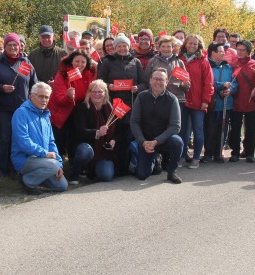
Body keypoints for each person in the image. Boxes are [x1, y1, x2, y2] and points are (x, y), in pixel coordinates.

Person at [0, 33, 39, 177]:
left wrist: (34, 97)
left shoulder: (26, 63)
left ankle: (15, 168)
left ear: (19, 46)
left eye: (15, 45)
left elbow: (34, 84)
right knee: (3, 138)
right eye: (9, 45)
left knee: (19, 139)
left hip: (22, 109)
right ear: (5, 47)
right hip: (2, 108)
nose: (13, 47)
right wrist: (1, 87)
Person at [98, 33, 144, 174]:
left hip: (131, 105)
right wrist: (108, 86)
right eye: (119, 46)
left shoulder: (136, 62)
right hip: (113, 104)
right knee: (114, 133)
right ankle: (115, 166)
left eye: (125, 45)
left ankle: (127, 165)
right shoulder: (107, 61)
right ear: (115, 47)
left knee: (127, 135)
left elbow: (144, 83)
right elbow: (99, 81)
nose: (122, 48)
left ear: (129, 47)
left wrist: (138, 88)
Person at [11, 82, 68, 194]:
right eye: (41, 96)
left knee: (62, 186)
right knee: (53, 165)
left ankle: (35, 179)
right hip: (24, 159)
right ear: (32, 96)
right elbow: (23, 141)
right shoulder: (21, 113)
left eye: (47, 97)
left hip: (44, 161)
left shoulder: (46, 115)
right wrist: (45, 154)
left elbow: (51, 142)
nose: (44, 100)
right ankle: (27, 181)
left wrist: (60, 164)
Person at [130, 68, 184, 184]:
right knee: (142, 175)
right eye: (155, 79)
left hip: (164, 140)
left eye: (161, 80)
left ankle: (172, 171)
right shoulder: (141, 97)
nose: (158, 82)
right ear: (150, 80)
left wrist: (156, 141)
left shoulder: (172, 99)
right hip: (146, 141)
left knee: (177, 141)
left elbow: (176, 126)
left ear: (166, 82)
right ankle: (156, 159)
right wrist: (143, 142)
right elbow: (134, 122)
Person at [49, 49, 96, 164]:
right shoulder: (62, 74)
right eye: (77, 61)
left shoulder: (88, 74)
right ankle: (56, 167)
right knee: (59, 141)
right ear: (71, 61)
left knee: (74, 140)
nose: (80, 64)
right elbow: (60, 99)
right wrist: (68, 96)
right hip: (61, 114)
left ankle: (73, 166)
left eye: (83, 62)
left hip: (78, 113)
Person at [178, 34, 214, 166]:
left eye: (195, 44)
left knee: (198, 130)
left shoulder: (203, 61)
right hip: (182, 100)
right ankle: (182, 156)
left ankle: (196, 157)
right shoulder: (180, 58)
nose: (192, 46)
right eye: (190, 43)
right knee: (183, 131)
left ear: (199, 46)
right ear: (185, 44)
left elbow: (209, 82)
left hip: (198, 101)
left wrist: (206, 100)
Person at [72, 80, 117, 182]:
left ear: (105, 93)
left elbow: (117, 130)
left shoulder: (109, 108)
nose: (97, 94)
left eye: (100, 91)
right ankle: (76, 173)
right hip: (87, 145)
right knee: (85, 150)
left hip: (103, 149)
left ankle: (92, 170)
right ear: (89, 93)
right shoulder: (82, 107)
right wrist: (97, 133)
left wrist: (114, 139)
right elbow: (80, 131)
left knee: (107, 176)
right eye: (94, 91)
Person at [202, 43, 238, 164]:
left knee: (222, 129)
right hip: (211, 103)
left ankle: (218, 153)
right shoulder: (206, 65)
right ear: (213, 53)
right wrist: (221, 85)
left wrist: (231, 89)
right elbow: (206, 83)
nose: (224, 54)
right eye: (221, 51)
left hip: (225, 104)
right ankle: (208, 153)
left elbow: (234, 82)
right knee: (209, 129)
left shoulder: (227, 66)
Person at [229, 40, 255, 162]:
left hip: (251, 100)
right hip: (236, 100)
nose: (240, 52)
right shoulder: (233, 64)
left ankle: (249, 153)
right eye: (238, 49)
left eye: (243, 50)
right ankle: (235, 152)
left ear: (248, 51)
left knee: (250, 128)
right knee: (235, 128)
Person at [145, 35, 189, 106]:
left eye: (168, 46)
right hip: (157, 98)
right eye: (163, 46)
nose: (166, 49)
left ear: (172, 48)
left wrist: (184, 85)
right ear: (159, 48)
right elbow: (146, 80)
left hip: (177, 99)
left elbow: (186, 84)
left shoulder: (179, 62)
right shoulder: (152, 61)